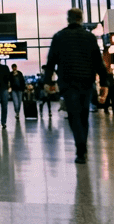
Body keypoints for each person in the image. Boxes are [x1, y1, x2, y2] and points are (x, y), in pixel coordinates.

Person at [43, 8, 106, 164]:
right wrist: (105, 83)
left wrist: (48, 82)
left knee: (74, 115)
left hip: (68, 82)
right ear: (81, 19)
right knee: (84, 115)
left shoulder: (59, 37)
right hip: (86, 81)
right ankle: (82, 147)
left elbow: (50, 62)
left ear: (68, 19)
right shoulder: (89, 37)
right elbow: (99, 63)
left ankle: (80, 149)